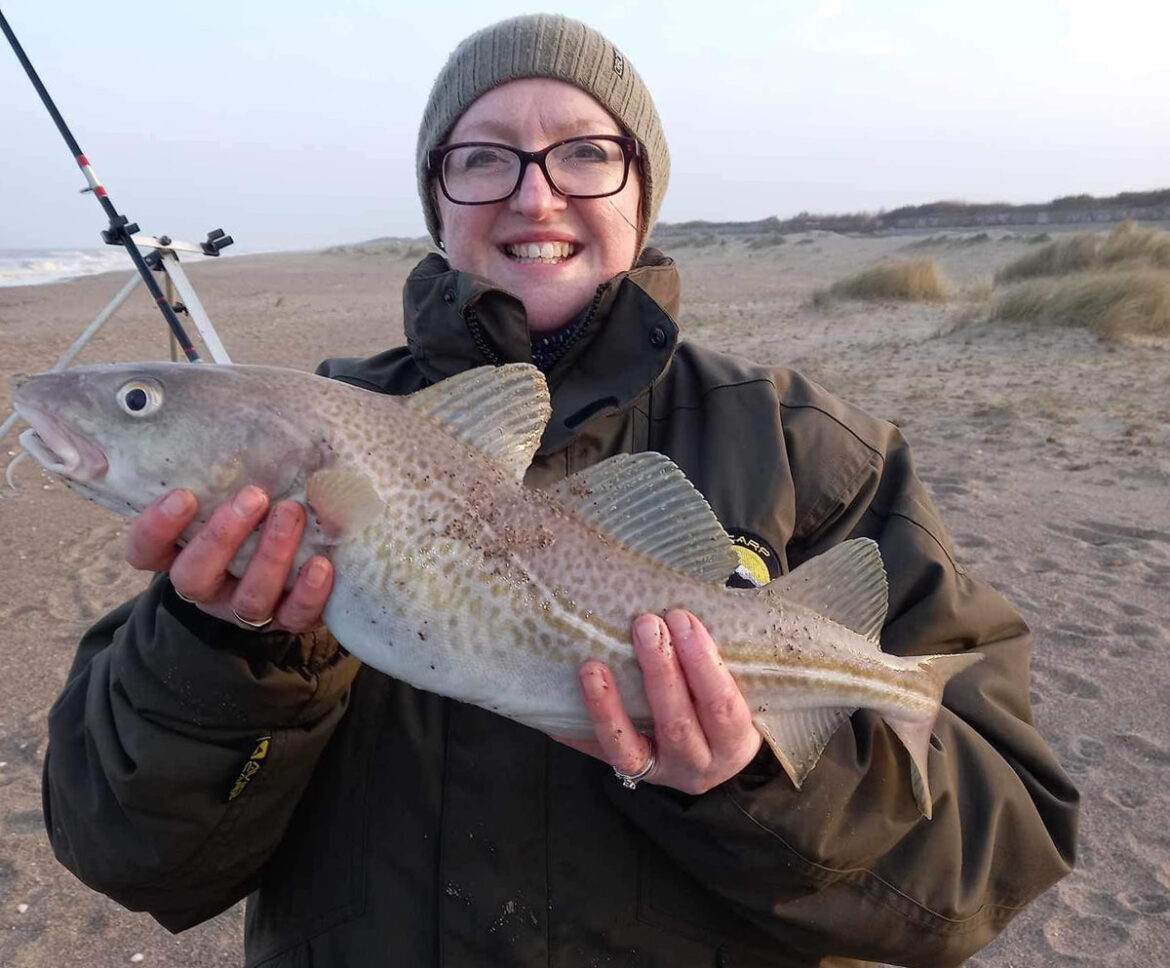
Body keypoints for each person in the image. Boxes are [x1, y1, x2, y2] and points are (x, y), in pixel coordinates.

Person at [43, 14, 1077, 968]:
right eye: (483, 158)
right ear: (437, 196)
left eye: (587, 152)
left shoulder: (817, 453)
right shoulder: (309, 448)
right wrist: (229, 650)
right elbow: (130, 852)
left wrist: (753, 780)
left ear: (642, 190)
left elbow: (998, 853)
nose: (535, 196)